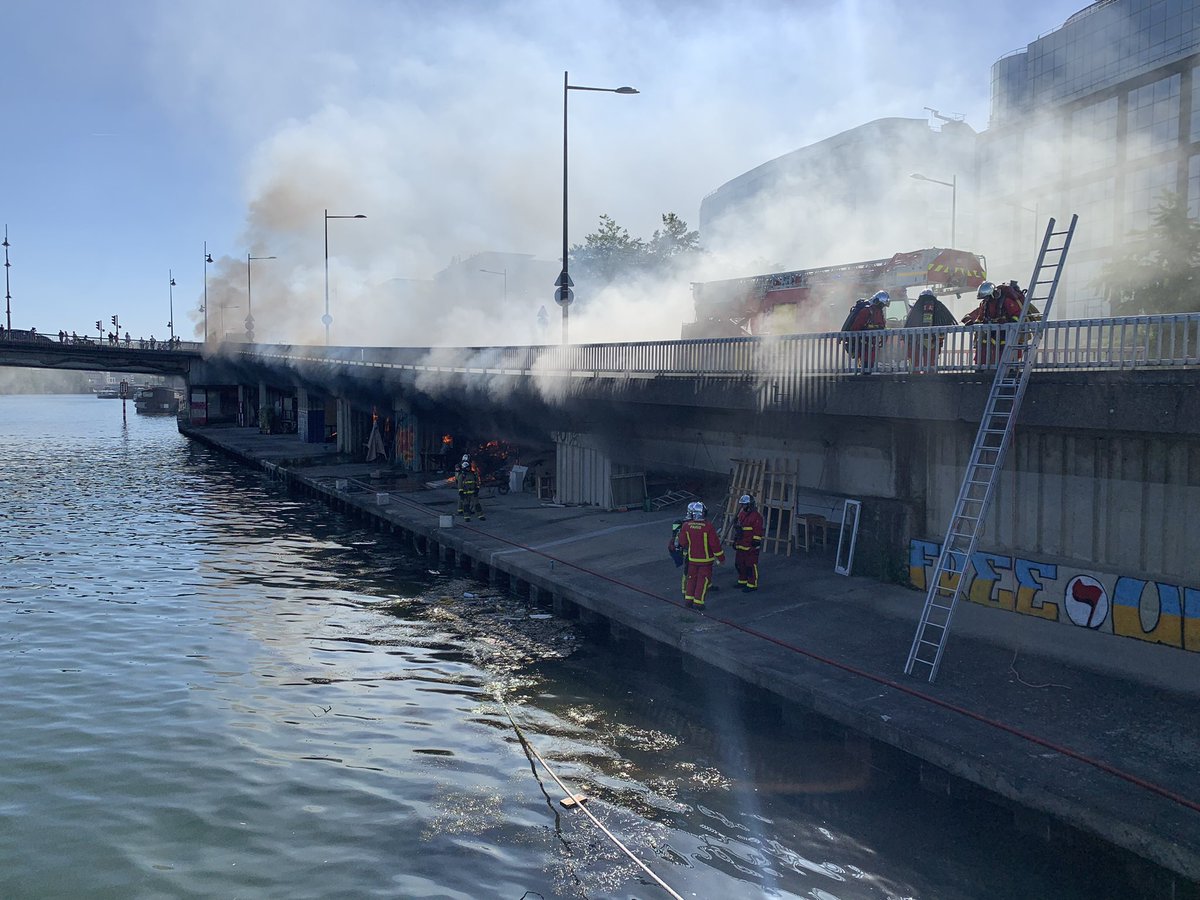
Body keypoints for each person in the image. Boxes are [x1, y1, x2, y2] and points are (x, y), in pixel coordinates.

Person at [962, 280, 1033, 367]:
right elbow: (981, 317)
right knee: (983, 346)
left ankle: (1009, 367)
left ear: (992, 294)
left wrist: (1007, 322)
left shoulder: (1006, 301)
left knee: (1005, 350)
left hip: (1006, 332)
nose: (985, 300)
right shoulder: (985, 304)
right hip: (991, 332)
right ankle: (981, 367)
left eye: (987, 297)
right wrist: (973, 322)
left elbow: (1017, 315)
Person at [675, 501, 724, 608]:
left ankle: (688, 600)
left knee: (691, 579)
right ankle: (698, 603)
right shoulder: (708, 527)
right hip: (705, 561)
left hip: (692, 559)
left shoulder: (686, 526)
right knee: (703, 580)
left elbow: (682, 543)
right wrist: (721, 558)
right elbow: (715, 545)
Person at [904, 288, 956, 372]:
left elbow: (908, 326)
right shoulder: (939, 308)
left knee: (916, 362)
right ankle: (929, 377)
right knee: (929, 362)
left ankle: (916, 377)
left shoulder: (916, 309)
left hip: (918, 342)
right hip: (931, 342)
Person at [840, 290, 889, 373]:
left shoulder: (879, 312)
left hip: (873, 345)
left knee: (870, 366)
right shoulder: (866, 311)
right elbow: (855, 328)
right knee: (866, 367)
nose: (882, 307)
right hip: (864, 345)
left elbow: (882, 326)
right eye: (881, 304)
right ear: (877, 301)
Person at [733, 494, 765, 592]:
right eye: (742, 505)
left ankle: (752, 584)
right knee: (739, 564)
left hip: (751, 545)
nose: (743, 507)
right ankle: (742, 581)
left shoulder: (756, 516)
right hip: (741, 544)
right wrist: (735, 539)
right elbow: (740, 529)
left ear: (750, 505)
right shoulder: (742, 514)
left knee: (750, 565)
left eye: (744, 505)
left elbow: (758, 530)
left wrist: (755, 542)